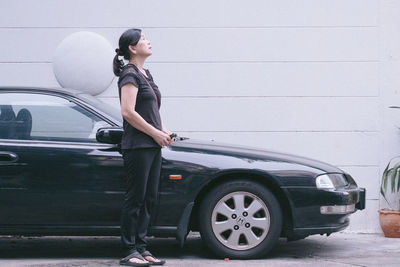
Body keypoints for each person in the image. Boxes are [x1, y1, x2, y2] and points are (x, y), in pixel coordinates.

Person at [113, 28, 171, 266]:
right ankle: (129, 251)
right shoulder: (129, 74)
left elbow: (152, 110)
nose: (148, 41)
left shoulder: (145, 73)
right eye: (143, 39)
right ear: (132, 48)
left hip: (152, 144)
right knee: (135, 199)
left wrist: (165, 130)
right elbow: (128, 112)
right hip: (138, 146)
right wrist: (156, 133)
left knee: (149, 199)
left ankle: (142, 247)